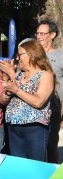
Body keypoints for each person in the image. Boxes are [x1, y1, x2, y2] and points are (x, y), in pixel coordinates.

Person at [0, 39, 55, 162]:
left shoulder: (45, 75)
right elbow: (3, 101)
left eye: (20, 55)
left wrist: (16, 90)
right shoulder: (18, 75)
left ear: (32, 54)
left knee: (36, 166)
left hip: (34, 128)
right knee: (19, 167)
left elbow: (39, 102)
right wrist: (8, 93)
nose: (18, 58)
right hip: (13, 127)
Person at [36, 20, 63, 163]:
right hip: (33, 107)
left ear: (52, 35)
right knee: (37, 147)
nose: (39, 37)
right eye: (37, 33)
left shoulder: (60, 56)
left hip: (54, 107)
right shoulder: (31, 55)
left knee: (51, 146)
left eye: (43, 34)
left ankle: (52, 177)